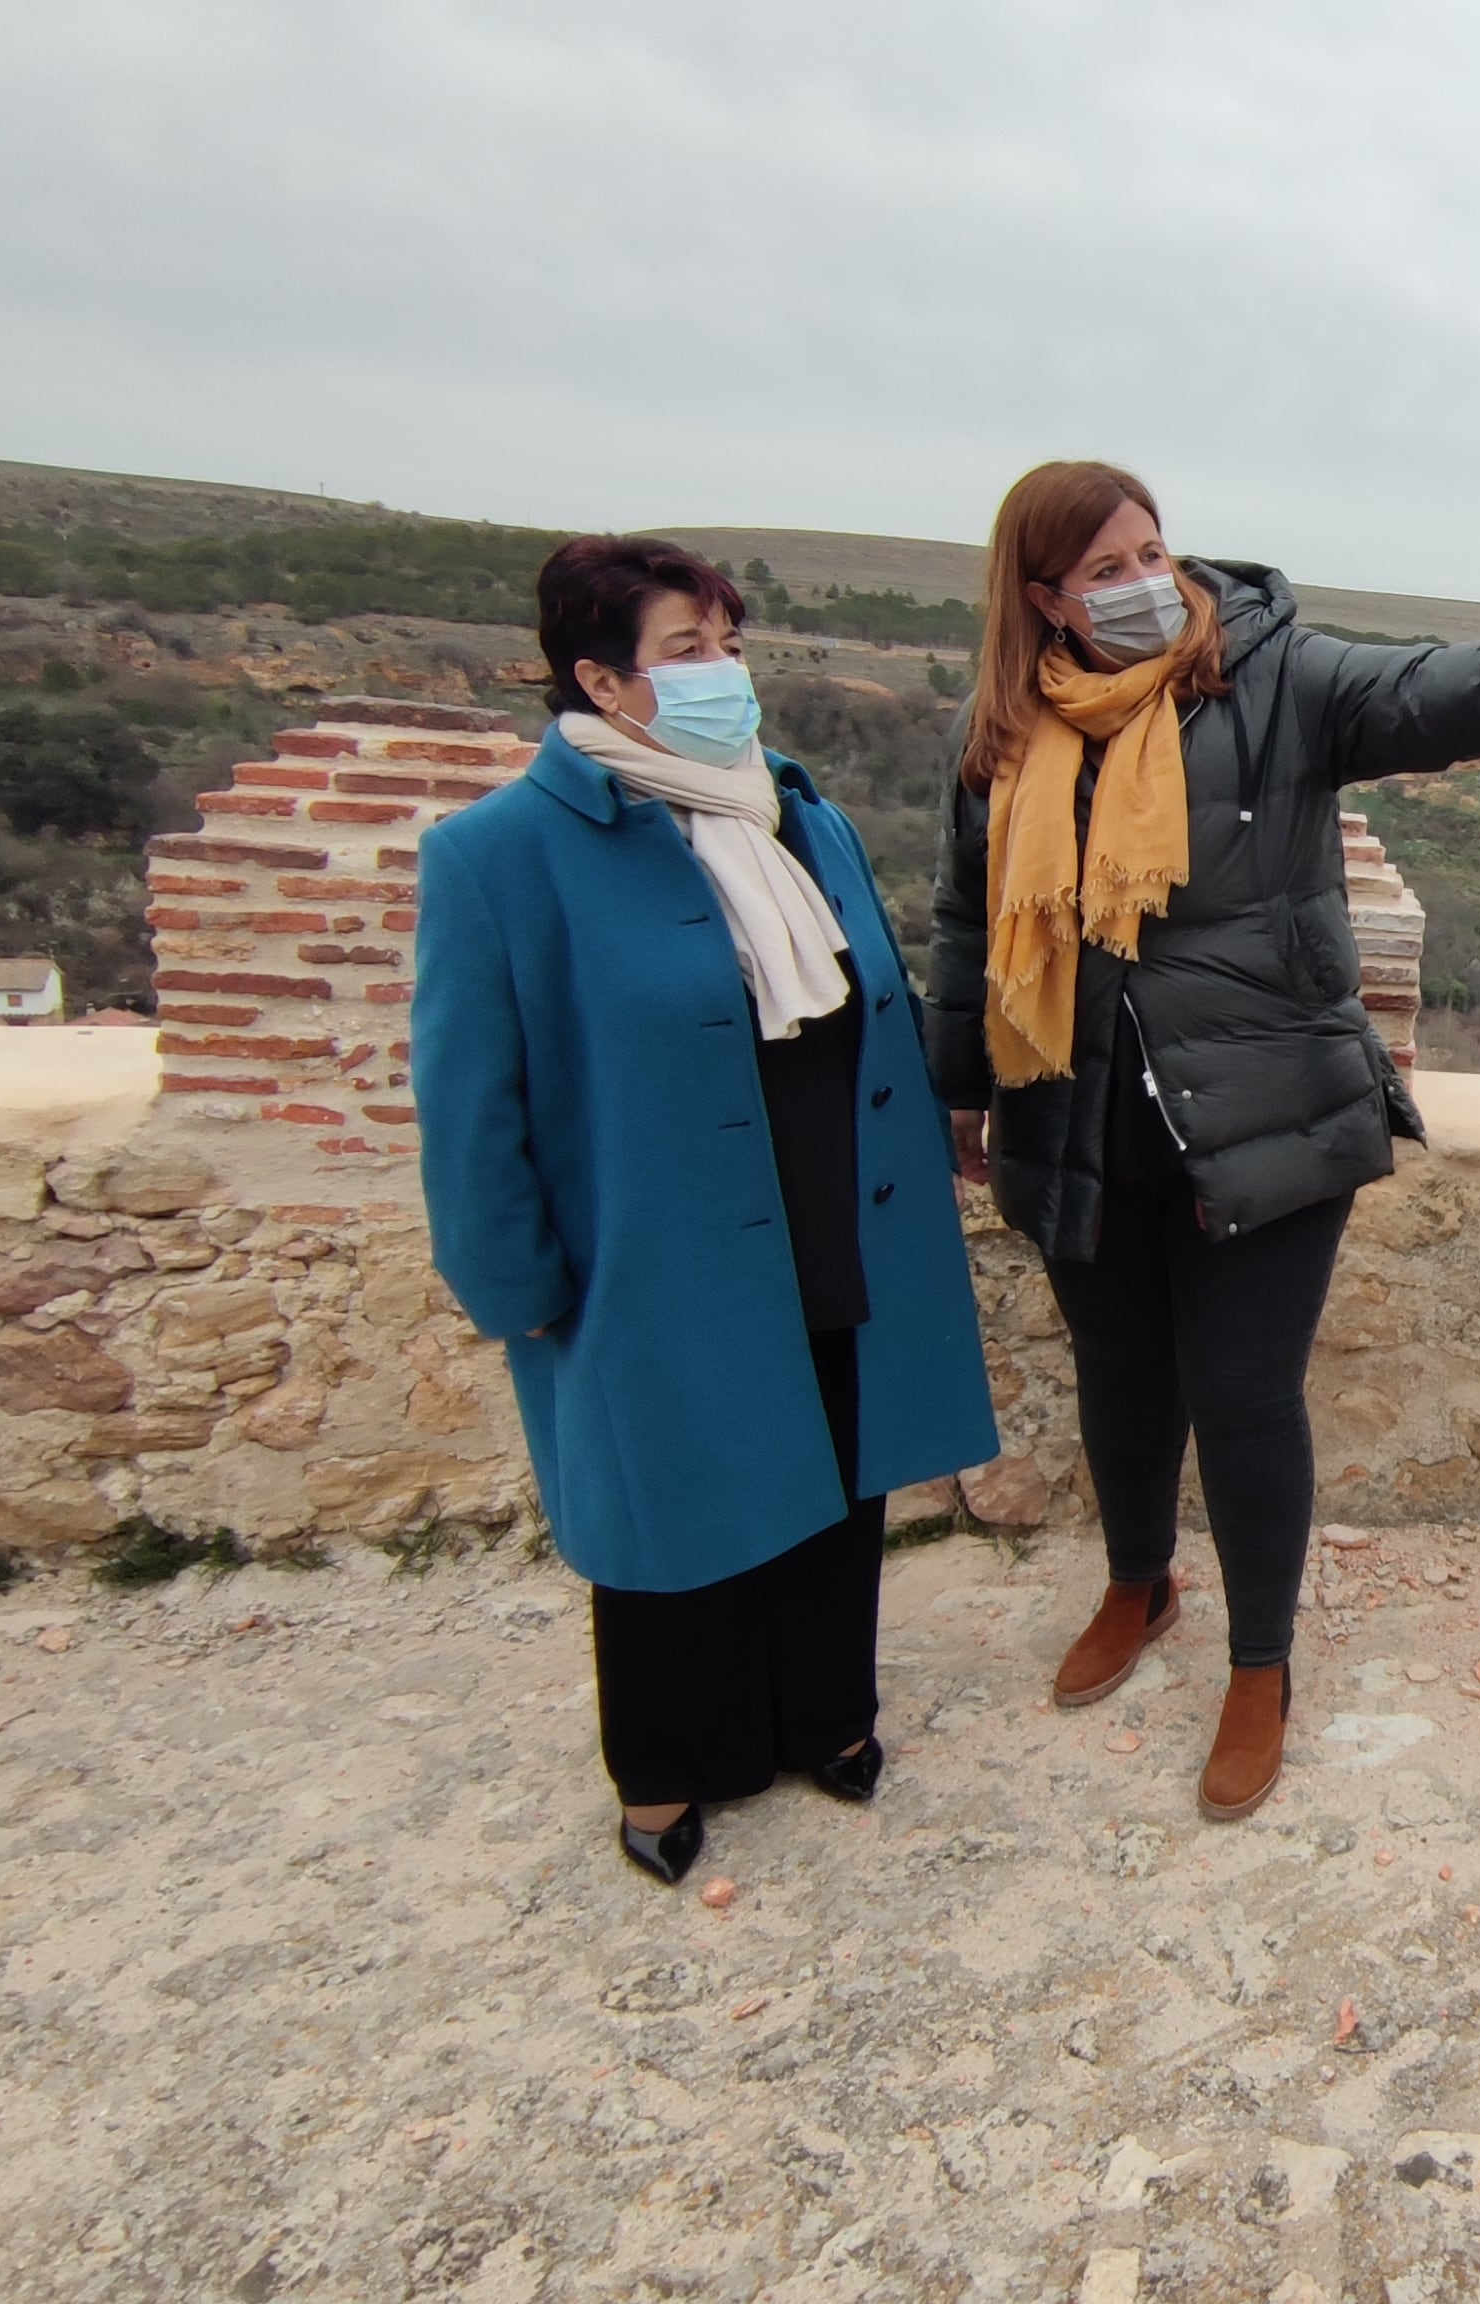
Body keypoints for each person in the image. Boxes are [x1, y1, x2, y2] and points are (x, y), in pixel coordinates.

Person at [926, 462, 1480, 1822]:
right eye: (1104, 569)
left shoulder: (1270, 679)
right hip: (1082, 1105)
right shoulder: (1009, 731)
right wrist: (964, 1087)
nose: (1142, 583)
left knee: (1240, 1395)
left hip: (1268, 1107)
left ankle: (1259, 1665)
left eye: (1152, 551)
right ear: (1042, 595)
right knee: (1118, 1376)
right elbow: (962, 919)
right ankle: (1137, 1580)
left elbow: (1427, 695)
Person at [416, 536, 1000, 1883]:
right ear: (601, 680)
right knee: (668, 1515)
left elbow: (874, 1013)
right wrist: (518, 1289)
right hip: (651, 1261)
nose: (722, 672)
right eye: (687, 650)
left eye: (727, 644)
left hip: (830, 1217)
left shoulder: (799, 817)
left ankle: (826, 1720)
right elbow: (469, 1105)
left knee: (837, 1480)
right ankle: (672, 1769)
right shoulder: (500, 857)